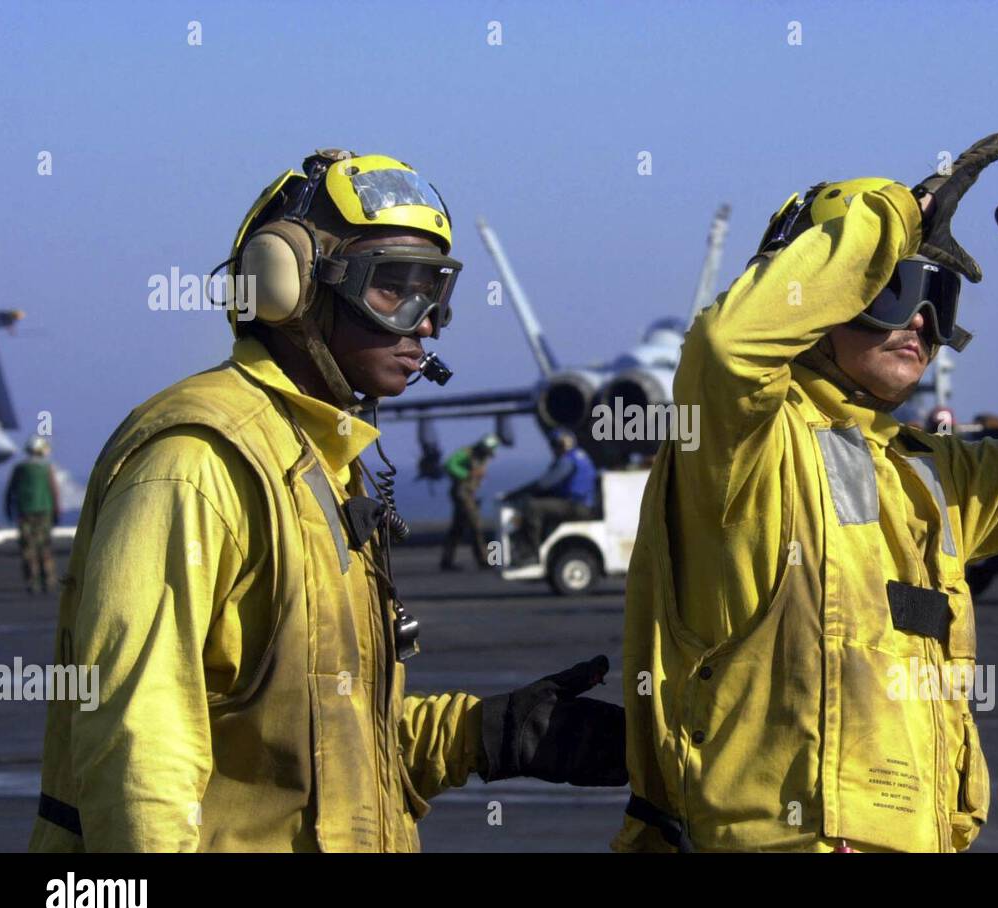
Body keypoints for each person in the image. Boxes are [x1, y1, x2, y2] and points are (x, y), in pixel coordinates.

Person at [31, 149, 625, 852]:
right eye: (394, 288)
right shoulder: (196, 464)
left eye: (434, 292)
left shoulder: (319, 462)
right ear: (289, 287)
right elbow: (140, 767)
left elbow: (328, 750)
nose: (426, 323)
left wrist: (488, 734)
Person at [615, 133, 998, 852]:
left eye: (939, 298)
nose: (921, 322)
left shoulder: (927, 473)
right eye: (890, 290)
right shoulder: (741, 443)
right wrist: (901, 212)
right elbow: (727, 348)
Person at [503, 427, 598, 562]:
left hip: (576, 506)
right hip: (582, 505)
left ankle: (531, 552)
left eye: (554, 444)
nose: (553, 449)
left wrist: (517, 493)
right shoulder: (580, 456)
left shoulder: (567, 460)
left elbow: (544, 484)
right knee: (545, 506)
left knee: (533, 507)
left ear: (561, 444)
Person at [4, 434, 60, 593]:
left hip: (24, 512)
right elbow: (54, 491)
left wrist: (8, 509)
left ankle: (32, 581)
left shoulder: (19, 469)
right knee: (45, 546)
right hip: (44, 512)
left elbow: (10, 491)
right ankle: (48, 580)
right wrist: (56, 511)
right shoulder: (47, 468)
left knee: (28, 547)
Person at [440, 433, 499, 571]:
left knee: (457, 528)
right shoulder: (467, 453)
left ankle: (447, 560)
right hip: (462, 493)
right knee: (475, 525)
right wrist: (466, 474)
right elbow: (449, 464)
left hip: (469, 494)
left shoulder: (484, 455)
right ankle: (483, 559)